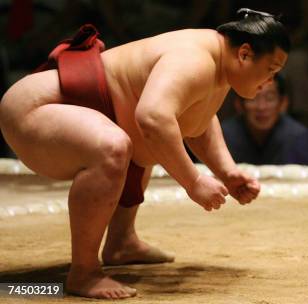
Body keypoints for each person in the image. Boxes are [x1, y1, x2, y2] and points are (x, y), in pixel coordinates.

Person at [0, 9, 289, 299]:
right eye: (271, 70)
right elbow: (153, 117)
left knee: (152, 138)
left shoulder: (218, 64)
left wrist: (226, 171)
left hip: (74, 110)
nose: (271, 81)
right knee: (117, 144)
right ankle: (84, 272)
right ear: (245, 54)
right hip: (33, 109)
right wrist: (193, 181)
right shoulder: (195, 59)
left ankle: (121, 242)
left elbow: (197, 119)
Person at [222, 74, 305, 164]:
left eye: (270, 98)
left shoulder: (298, 137)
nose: (261, 107)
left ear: (283, 103)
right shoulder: (223, 136)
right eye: (253, 98)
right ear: (239, 104)